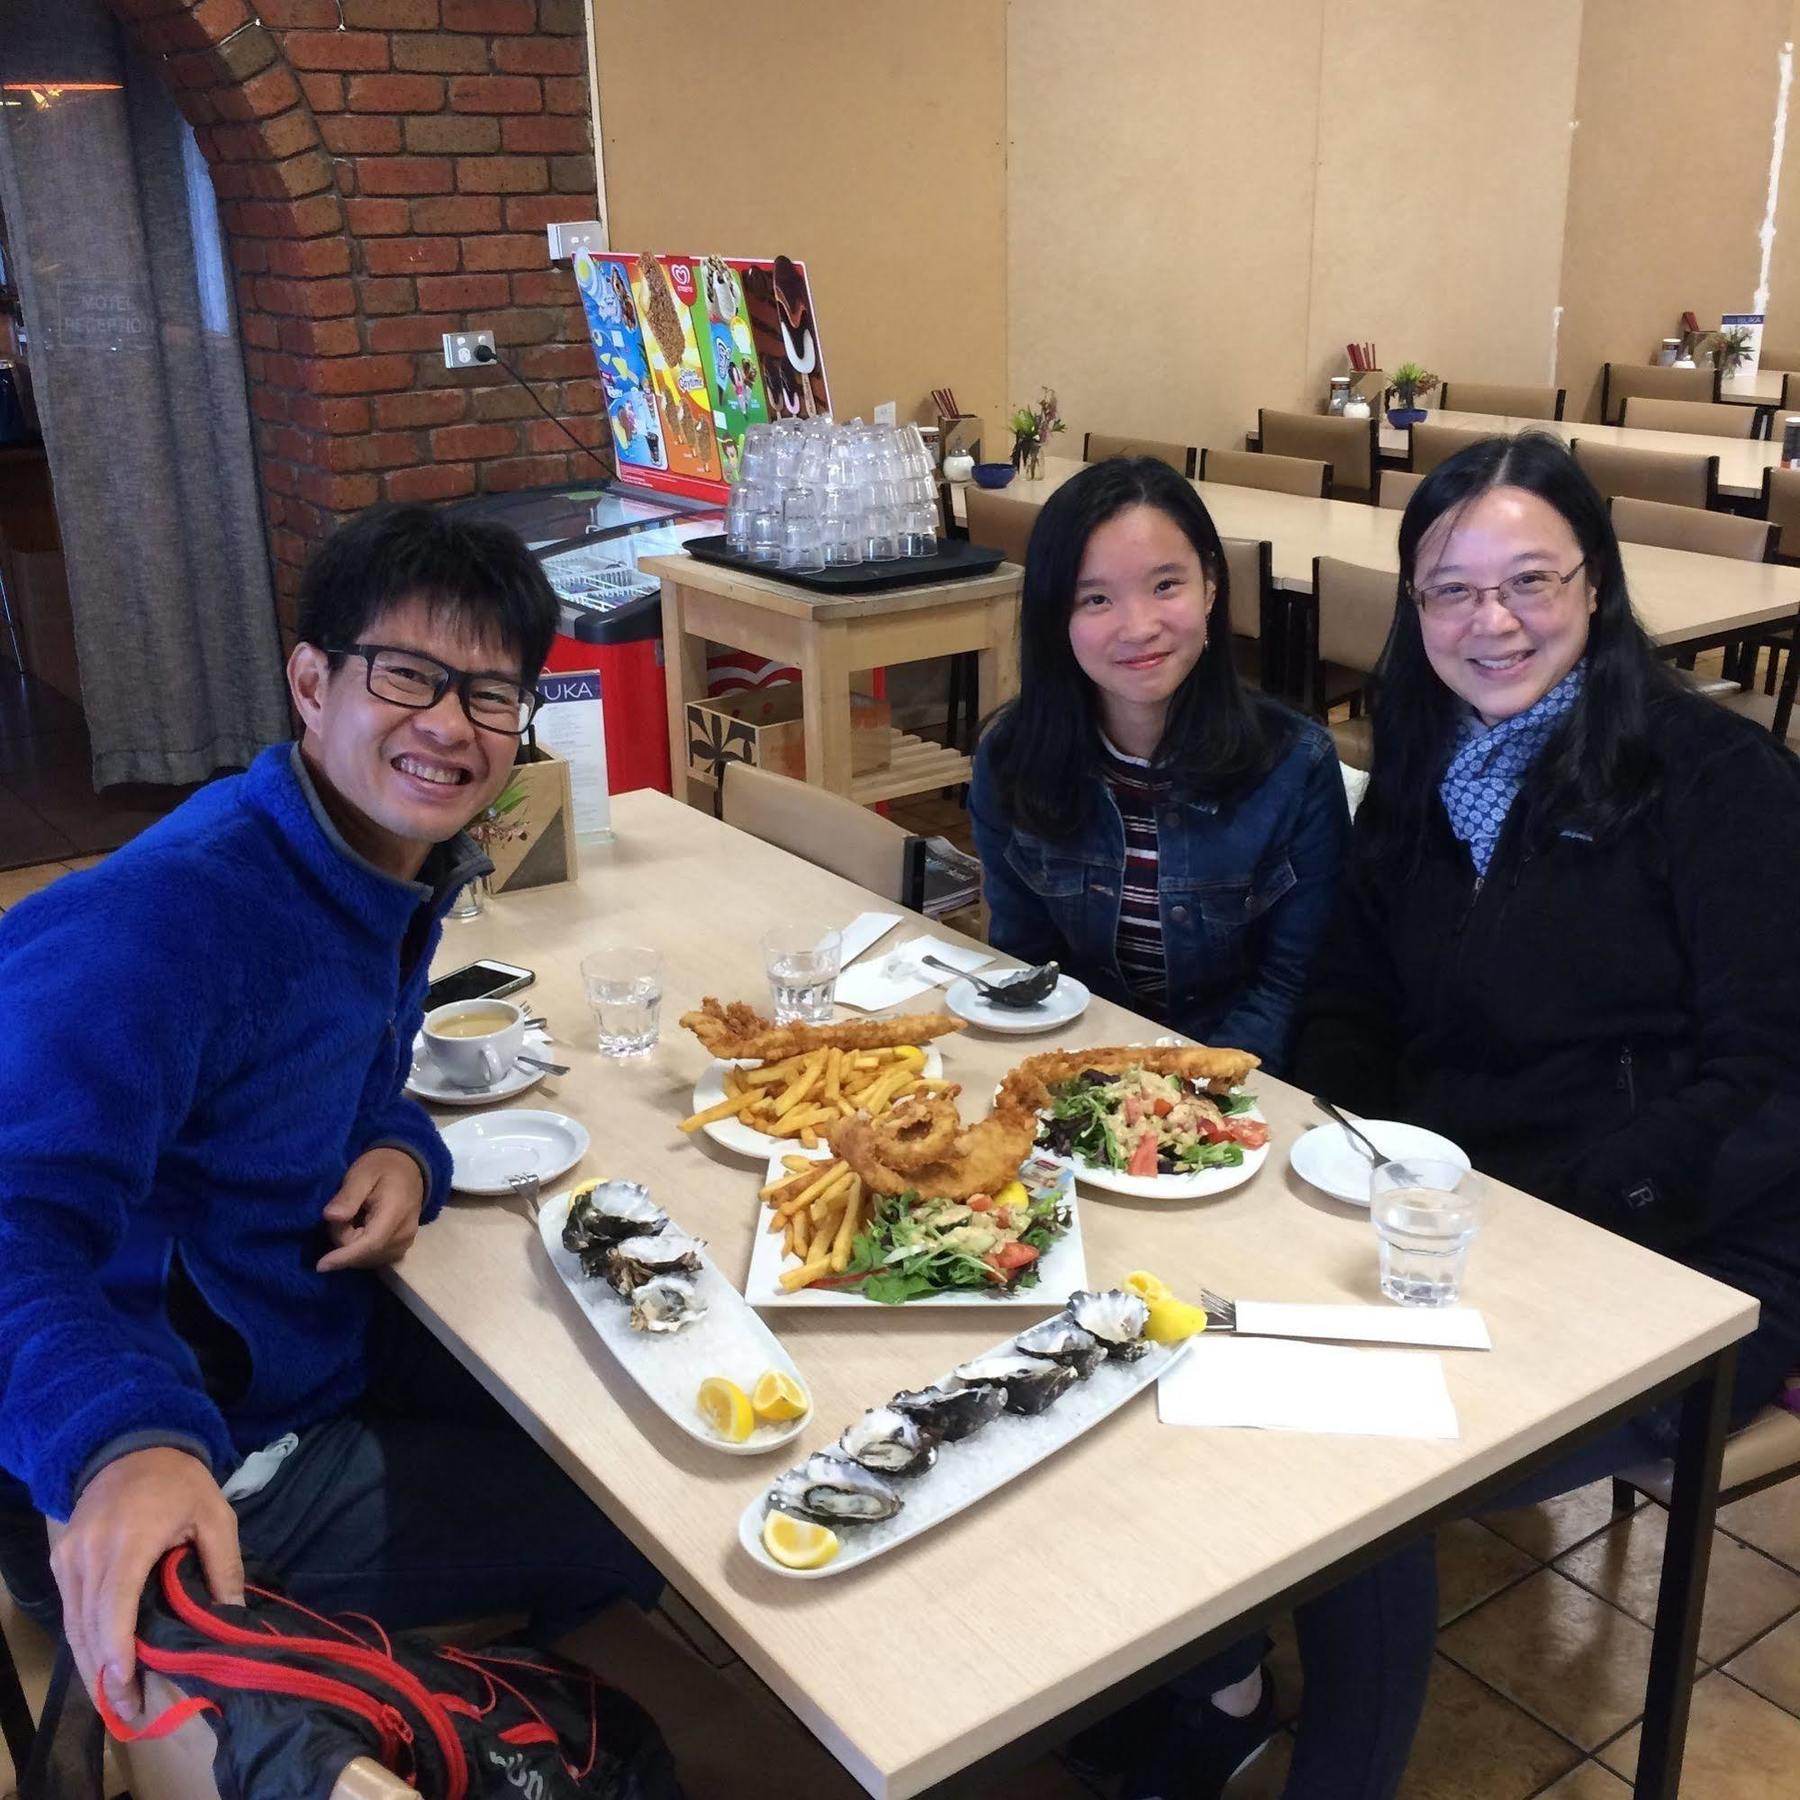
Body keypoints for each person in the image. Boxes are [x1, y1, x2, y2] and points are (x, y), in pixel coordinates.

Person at [0, 504, 659, 1728]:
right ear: (311, 681)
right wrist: (122, 1441)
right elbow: (11, 1216)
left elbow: (341, 1080)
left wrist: (402, 1148)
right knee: (645, 1524)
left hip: (305, 1340)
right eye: (407, 675)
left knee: (630, 1383)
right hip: (194, 1465)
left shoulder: (362, 870)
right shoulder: (170, 921)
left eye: (490, 694)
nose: (450, 726)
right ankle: (477, 1688)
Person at [1277, 432, 1800, 1795]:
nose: (1489, 621)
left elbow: (1769, 1081)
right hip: (1470, 1214)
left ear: (1598, 588)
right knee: (1212, 1351)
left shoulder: (1714, 780)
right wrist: (1347, 1140)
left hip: (1691, 1250)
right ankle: (1188, 1700)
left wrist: (1554, 1216)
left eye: (1530, 581)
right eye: (1449, 590)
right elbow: (1349, 996)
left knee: (1356, 1463)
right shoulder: (1424, 763)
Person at [969, 455, 1350, 1074]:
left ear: (1212, 587)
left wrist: (1179, 1101)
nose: (1138, 627)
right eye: (1095, 598)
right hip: (1079, 1075)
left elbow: (1291, 987)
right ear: (1053, 616)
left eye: (1166, 585)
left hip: (1236, 1090)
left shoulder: (1295, 767)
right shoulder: (1013, 758)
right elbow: (1028, 965)